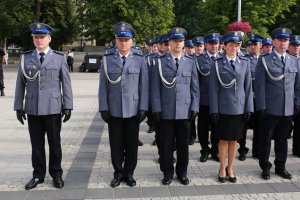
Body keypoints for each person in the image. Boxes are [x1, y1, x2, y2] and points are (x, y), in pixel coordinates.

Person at [13, 22, 73, 190]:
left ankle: (56, 174)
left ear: (49, 38)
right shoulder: (26, 58)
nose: (39, 40)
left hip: (53, 109)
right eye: (36, 37)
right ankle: (38, 174)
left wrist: (68, 105)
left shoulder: (59, 57)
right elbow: (20, 84)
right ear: (33, 39)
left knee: (55, 143)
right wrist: (19, 106)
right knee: (36, 144)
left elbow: (66, 84)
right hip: (32, 108)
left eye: (42, 37)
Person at [99, 22, 148, 188]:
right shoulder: (107, 59)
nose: (123, 43)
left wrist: (143, 107)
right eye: (120, 39)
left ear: (132, 41)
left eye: (127, 40)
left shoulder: (140, 59)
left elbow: (144, 86)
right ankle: (118, 173)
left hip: (133, 109)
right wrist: (103, 107)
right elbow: (103, 86)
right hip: (114, 109)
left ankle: (129, 173)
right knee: (116, 144)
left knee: (132, 144)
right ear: (116, 40)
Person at [151, 27, 200, 186]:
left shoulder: (191, 62)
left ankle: (182, 173)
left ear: (184, 43)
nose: (178, 44)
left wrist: (195, 107)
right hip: (166, 110)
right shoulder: (160, 62)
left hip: (185, 111)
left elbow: (195, 88)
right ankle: (167, 173)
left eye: (180, 41)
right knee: (166, 144)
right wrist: (156, 107)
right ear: (169, 43)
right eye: (174, 41)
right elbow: (155, 88)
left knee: (183, 145)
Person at [255, 28, 299, 180]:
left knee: (283, 140)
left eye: (285, 40)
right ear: (273, 41)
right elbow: (259, 86)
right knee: (265, 140)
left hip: (287, 108)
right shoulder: (265, 60)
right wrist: (260, 106)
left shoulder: (295, 60)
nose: (283, 43)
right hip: (269, 108)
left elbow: (297, 86)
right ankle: (265, 167)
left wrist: (297, 103)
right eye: (279, 40)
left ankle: (281, 166)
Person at [210, 31, 253, 183]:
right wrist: (214, 110)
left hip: (239, 108)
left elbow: (248, 88)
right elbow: (213, 89)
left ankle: (230, 167)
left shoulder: (245, 63)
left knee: (234, 140)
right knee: (223, 140)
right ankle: (222, 167)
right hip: (223, 108)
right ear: (225, 46)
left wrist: (249, 108)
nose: (234, 48)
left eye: (236, 45)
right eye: (231, 45)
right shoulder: (217, 64)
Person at [238, 33, 264, 161]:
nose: (253, 46)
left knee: (259, 126)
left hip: (259, 99)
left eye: (255, 44)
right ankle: (242, 150)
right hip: (247, 98)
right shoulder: (245, 59)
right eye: (251, 44)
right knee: (243, 126)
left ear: (260, 45)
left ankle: (257, 149)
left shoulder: (265, 59)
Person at [196, 33, 221, 163]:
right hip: (204, 101)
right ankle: (204, 150)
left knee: (217, 127)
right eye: (211, 43)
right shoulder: (199, 60)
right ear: (206, 45)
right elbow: (196, 83)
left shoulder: (223, 58)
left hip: (219, 101)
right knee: (203, 128)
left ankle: (215, 150)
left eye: (216, 43)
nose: (214, 46)